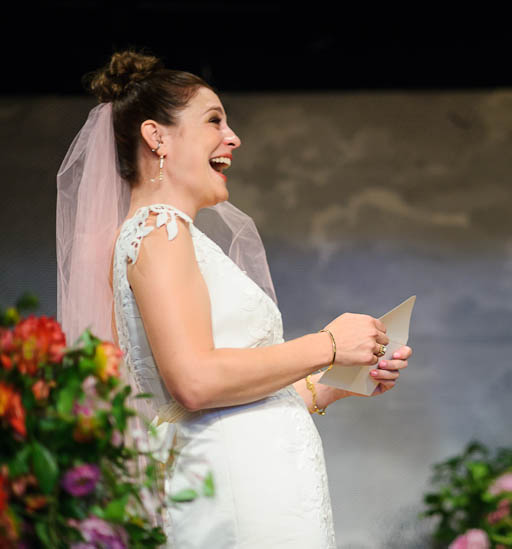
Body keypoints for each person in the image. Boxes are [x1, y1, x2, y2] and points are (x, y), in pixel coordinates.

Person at [56, 51, 412, 548]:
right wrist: (328, 344)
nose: (233, 137)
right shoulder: (160, 231)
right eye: (214, 120)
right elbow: (194, 383)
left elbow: (227, 396)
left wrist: (341, 380)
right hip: (235, 495)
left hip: (259, 485)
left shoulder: (178, 239)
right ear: (157, 137)